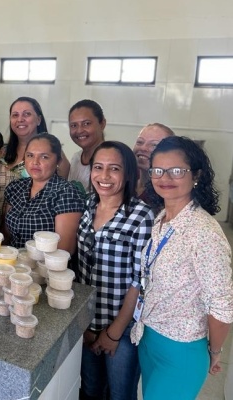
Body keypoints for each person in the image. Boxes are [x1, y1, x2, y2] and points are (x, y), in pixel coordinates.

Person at [131, 136, 233, 399]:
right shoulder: (162, 218)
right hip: (149, 336)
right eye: (158, 170)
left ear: (196, 175)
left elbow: (222, 305)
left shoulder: (204, 232)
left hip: (181, 349)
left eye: (177, 171)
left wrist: (214, 351)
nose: (165, 177)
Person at [76, 141, 154, 400]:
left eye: (114, 169)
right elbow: (82, 268)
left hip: (121, 328)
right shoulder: (87, 206)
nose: (104, 176)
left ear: (130, 174)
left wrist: (114, 332)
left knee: (120, 394)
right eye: (98, 167)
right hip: (87, 322)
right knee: (89, 389)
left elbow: (139, 281)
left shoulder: (141, 216)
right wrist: (83, 325)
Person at [4, 133, 84, 252]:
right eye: (30, 155)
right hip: (14, 263)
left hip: (46, 267)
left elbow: (65, 249)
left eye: (44, 157)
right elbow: (6, 234)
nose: (35, 162)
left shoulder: (67, 193)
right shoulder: (15, 187)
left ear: (58, 160)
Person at [4, 96, 70, 180]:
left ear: (39, 119)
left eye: (27, 114)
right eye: (15, 115)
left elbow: (64, 184)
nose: (20, 119)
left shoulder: (54, 151)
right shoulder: (1, 152)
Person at [67, 99, 106, 193]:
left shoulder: (111, 159)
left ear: (102, 124)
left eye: (86, 123)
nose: (79, 130)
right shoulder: (76, 158)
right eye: (74, 125)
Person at [132, 123, 175, 203]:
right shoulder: (126, 179)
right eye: (140, 142)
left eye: (154, 145)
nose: (143, 148)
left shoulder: (166, 191)